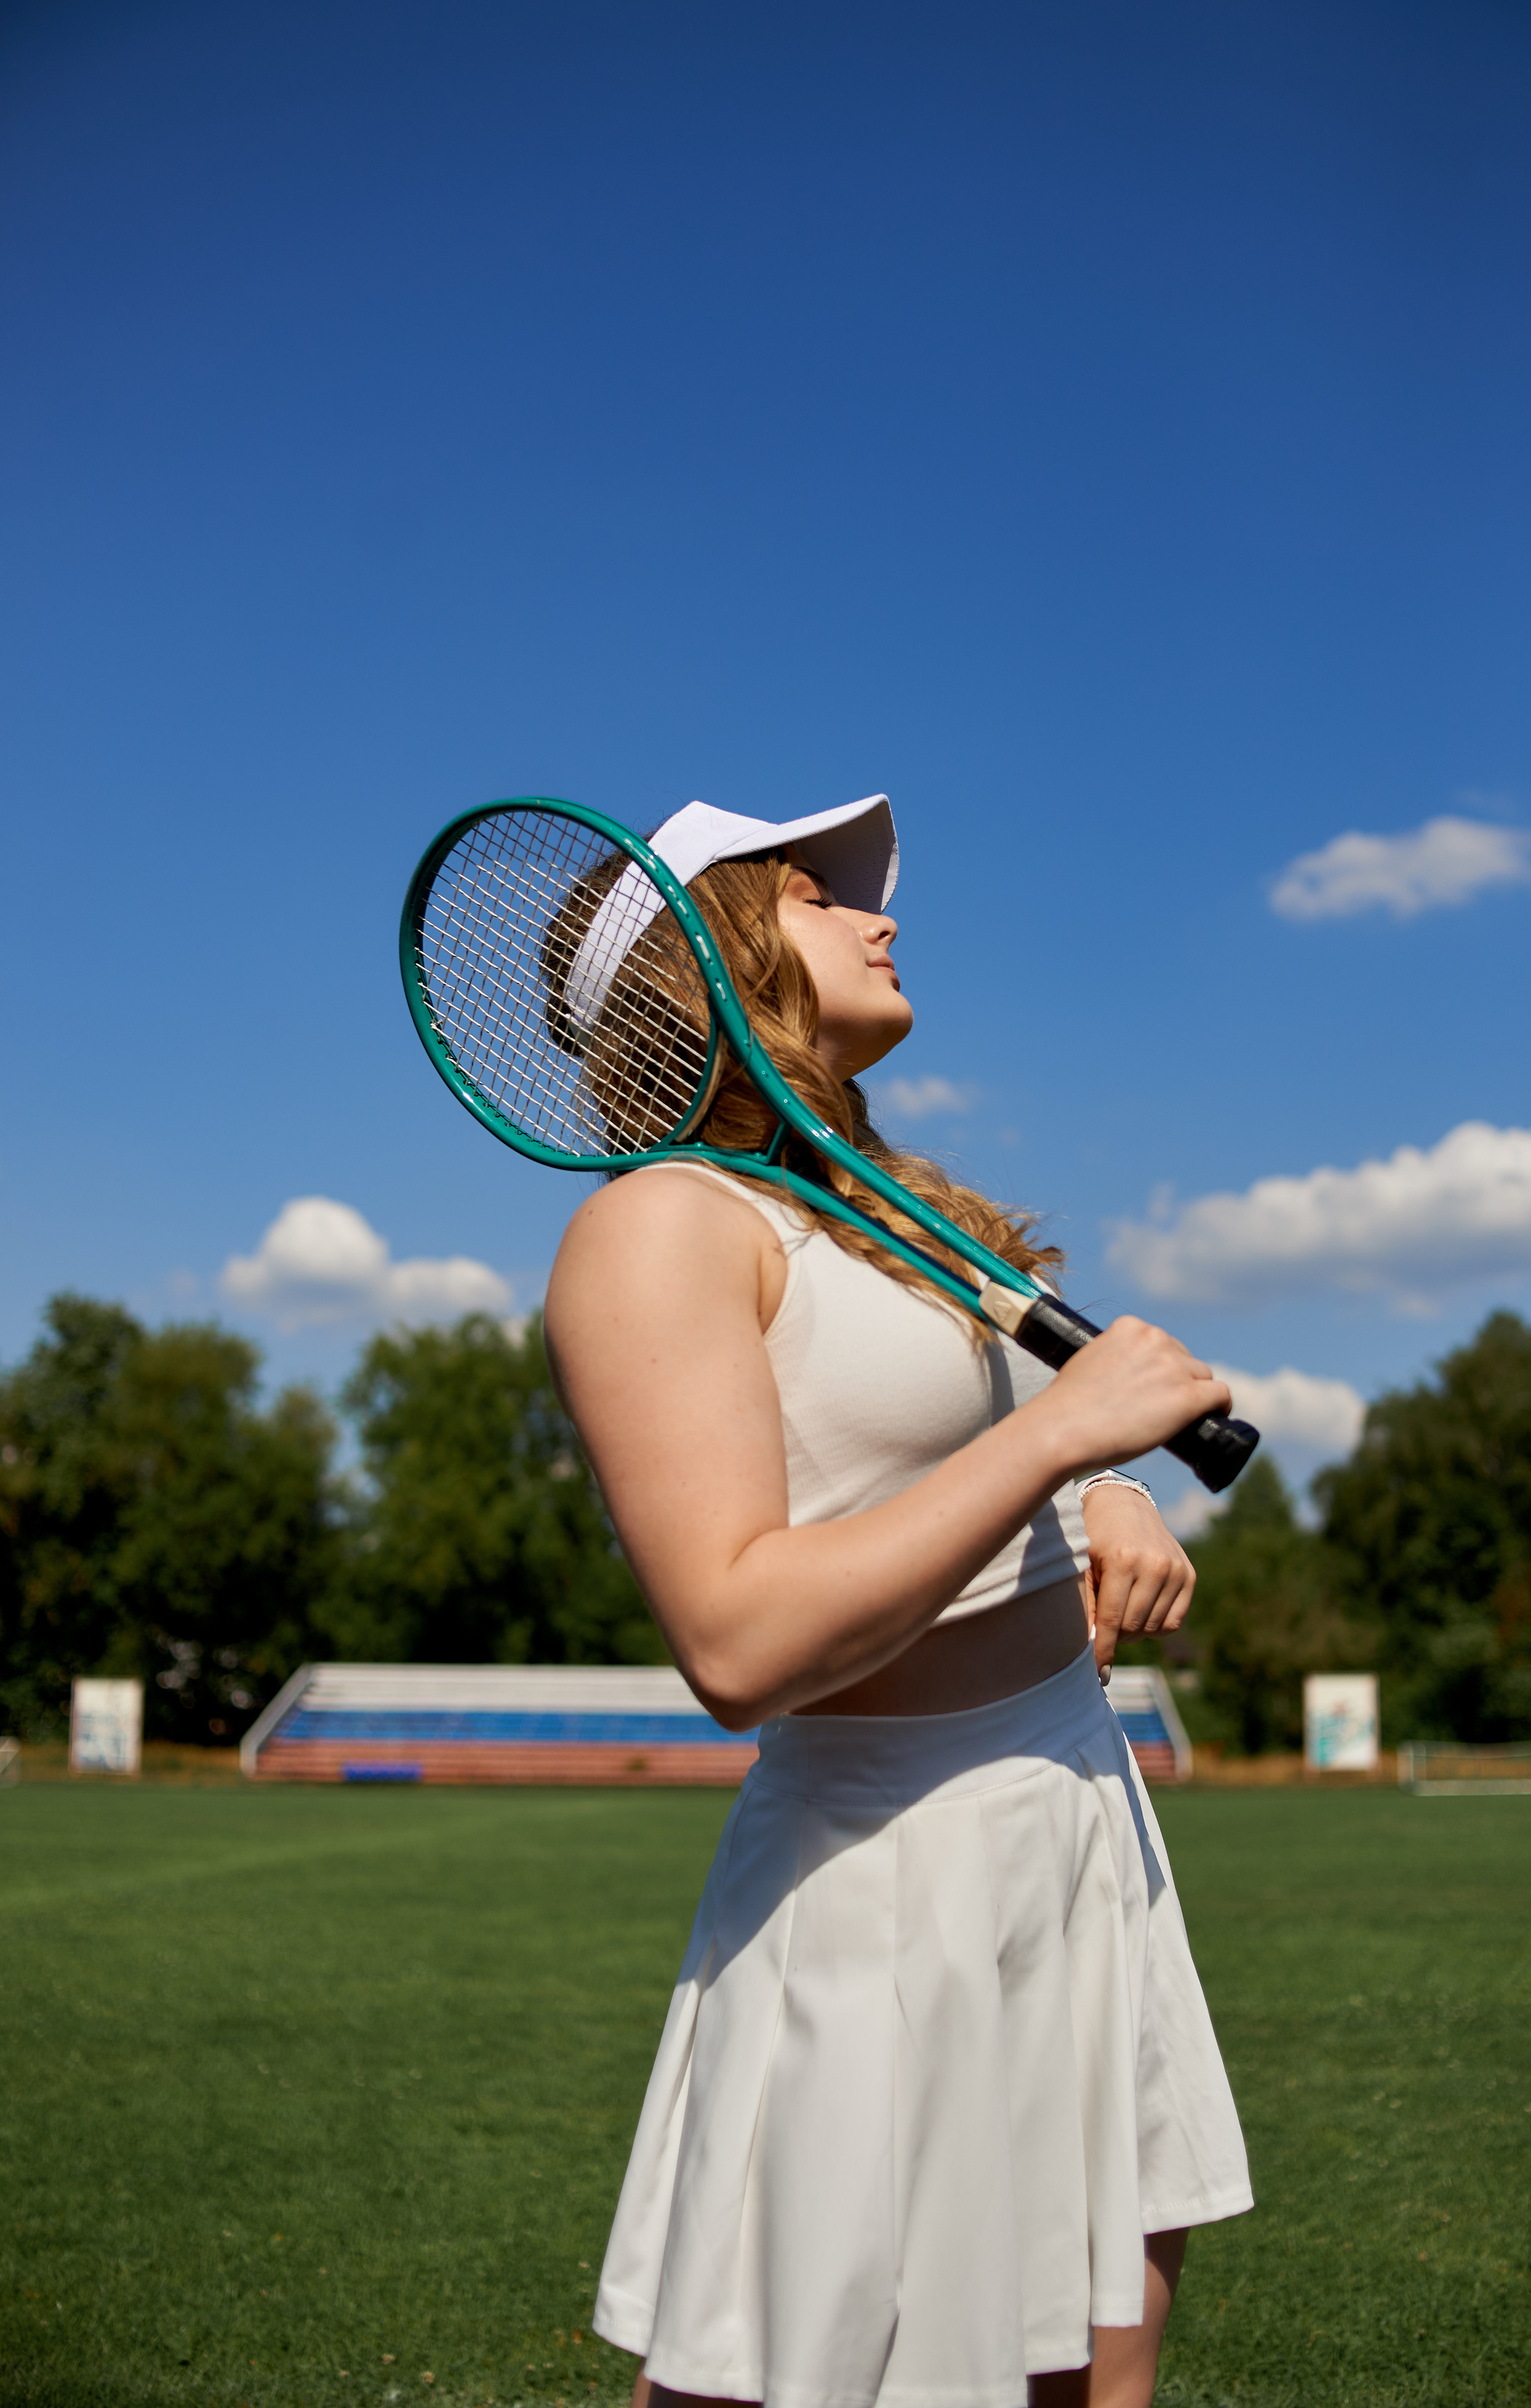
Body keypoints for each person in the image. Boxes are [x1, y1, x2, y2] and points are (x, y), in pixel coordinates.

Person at [543, 795, 1252, 2408]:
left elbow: (983, 1445)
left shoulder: (895, 1211)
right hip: (881, 1872)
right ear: (706, 963)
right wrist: (1069, 1434)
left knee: (1101, 2368)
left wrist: (1105, 1484)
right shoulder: (656, 1226)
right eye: (810, 894)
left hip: (1070, 1815)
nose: (877, 919)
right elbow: (735, 1640)